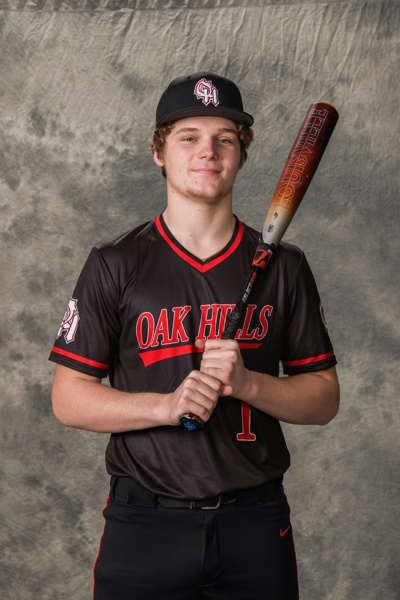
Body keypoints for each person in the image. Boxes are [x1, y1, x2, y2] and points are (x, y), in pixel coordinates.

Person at [50, 71, 340, 600]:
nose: (208, 150)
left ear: (241, 156)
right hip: (145, 524)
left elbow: (324, 400)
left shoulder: (284, 267)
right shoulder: (115, 262)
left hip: (254, 523)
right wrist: (165, 406)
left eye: (225, 138)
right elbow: (68, 399)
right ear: (159, 152)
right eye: (189, 137)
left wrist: (249, 384)